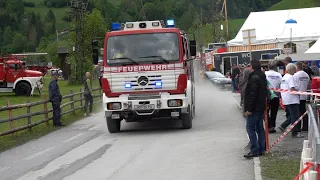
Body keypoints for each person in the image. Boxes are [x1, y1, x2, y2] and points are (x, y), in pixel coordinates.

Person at [243, 60, 268, 158]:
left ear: (252, 67)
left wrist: (249, 109)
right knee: (260, 128)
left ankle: (254, 149)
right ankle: (262, 148)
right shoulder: (262, 76)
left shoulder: (254, 77)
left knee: (250, 128)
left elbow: (252, 95)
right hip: (261, 106)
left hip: (254, 108)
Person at [278, 63, 304, 138]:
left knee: (294, 114)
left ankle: (284, 125)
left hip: (286, 98)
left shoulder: (284, 77)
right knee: (295, 116)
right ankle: (294, 132)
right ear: (292, 69)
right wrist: (299, 93)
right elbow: (292, 88)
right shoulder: (290, 77)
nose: (295, 71)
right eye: (295, 69)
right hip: (292, 98)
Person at [265, 60, 282, 133]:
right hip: (276, 95)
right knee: (274, 112)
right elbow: (281, 84)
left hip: (267, 95)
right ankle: (273, 126)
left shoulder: (265, 73)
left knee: (266, 111)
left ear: (268, 66)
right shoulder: (278, 75)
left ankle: (269, 126)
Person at [294, 62, 310, 132]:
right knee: (303, 111)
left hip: (297, 96)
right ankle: (305, 126)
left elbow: (294, 86)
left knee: (298, 113)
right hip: (304, 95)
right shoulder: (306, 75)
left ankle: (298, 127)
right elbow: (309, 84)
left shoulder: (295, 75)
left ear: (297, 67)